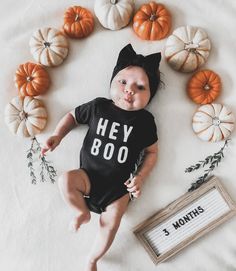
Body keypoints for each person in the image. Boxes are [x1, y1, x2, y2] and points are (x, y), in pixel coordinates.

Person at [41, 44, 161, 271]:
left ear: (150, 95)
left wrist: (141, 177)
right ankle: (81, 211)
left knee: (111, 224)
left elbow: (152, 152)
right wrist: (58, 135)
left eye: (140, 87)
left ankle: (93, 259)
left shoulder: (145, 122)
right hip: (88, 176)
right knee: (65, 181)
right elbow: (72, 116)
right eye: (123, 82)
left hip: (119, 189)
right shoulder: (99, 107)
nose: (129, 90)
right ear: (113, 80)